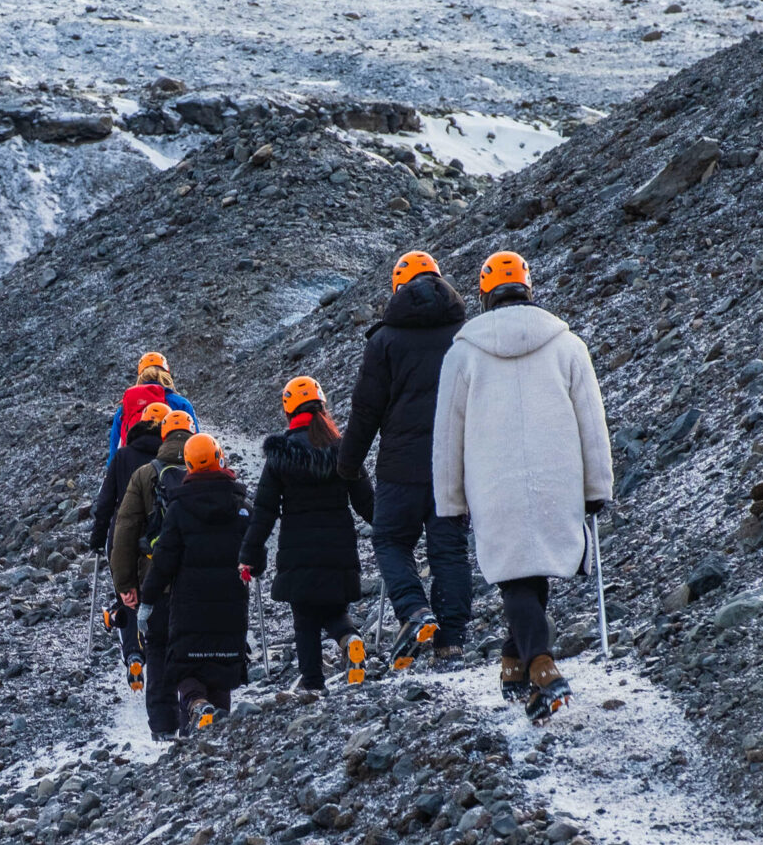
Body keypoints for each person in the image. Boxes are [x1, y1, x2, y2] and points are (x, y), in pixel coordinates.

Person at [433, 250, 613, 722]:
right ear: (529, 288)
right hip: (557, 476)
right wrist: (597, 486)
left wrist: (449, 498)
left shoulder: (463, 352)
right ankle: (516, 666)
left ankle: (540, 665)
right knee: (530, 571)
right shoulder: (567, 345)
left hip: (494, 482)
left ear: (486, 294)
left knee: (516, 574)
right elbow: (591, 422)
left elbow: (448, 434)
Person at [336, 251, 473, 671]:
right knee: (448, 549)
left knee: (391, 540)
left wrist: (348, 464)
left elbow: (366, 411)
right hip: (454, 462)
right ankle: (450, 640)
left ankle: (414, 612)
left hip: (400, 467)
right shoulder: (465, 335)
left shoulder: (385, 341)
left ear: (397, 287)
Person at [240, 377, 376, 694]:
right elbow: (366, 502)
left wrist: (249, 555)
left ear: (289, 411)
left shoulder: (280, 456)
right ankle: (350, 639)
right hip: (339, 549)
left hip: (298, 553)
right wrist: (394, 529)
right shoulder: (343, 449)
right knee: (334, 610)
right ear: (322, 405)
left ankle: (313, 684)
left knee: (305, 619)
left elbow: (264, 513)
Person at [139, 433, 251, 732]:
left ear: (188, 465)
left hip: (189, 604)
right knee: (222, 668)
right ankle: (217, 740)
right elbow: (256, 554)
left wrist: (147, 601)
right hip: (231, 603)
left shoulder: (178, 509)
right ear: (219, 457)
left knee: (184, 665)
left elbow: (163, 561)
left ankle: (197, 706)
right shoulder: (240, 506)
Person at [110, 409, 195, 735]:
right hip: (196, 583)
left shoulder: (145, 475)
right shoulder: (204, 468)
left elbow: (125, 533)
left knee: (157, 650)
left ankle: (162, 728)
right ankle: (195, 713)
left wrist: (125, 584)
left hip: (154, 581)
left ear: (163, 437)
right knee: (192, 648)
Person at [91, 401, 171, 689]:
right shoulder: (173, 460)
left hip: (122, 536)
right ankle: (164, 650)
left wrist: (98, 538)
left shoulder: (123, 456)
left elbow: (105, 502)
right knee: (161, 595)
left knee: (128, 596)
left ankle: (134, 653)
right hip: (161, 538)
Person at [107, 351, 198, 461]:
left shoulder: (126, 407)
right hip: (172, 469)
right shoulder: (180, 404)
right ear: (166, 373)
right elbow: (196, 442)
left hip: (132, 469)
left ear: (140, 376)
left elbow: (114, 452)